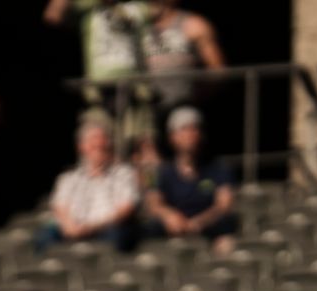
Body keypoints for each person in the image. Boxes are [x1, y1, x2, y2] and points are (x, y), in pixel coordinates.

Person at [44, 0, 222, 155]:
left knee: (154, 142)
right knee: (111, 143)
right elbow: (54, 15)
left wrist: (196, 96)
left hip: (173, 103)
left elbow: (217, 70)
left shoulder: (180, 21)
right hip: (132, 97)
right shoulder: (104, 12)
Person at [38, 115, 140, 250]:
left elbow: (126, 209)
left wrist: (91, 227)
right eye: (92, 139)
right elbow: (59, 207)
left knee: (119, 236)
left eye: (102, 139)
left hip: (106, 229)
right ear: (81, 146)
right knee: (45, 236)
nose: (98, 143)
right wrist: (70, 227)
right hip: (73, 229)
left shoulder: (123, 174)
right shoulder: (68, 178)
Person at [144, 105, 237, 251]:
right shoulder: (160, 171)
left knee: (227, 225)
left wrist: (199, 222)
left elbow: (224, 204)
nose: (190, 134)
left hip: (208, 226)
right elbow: (153, 203)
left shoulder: (218, 167)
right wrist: (169, 216)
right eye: (184, 129)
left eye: (194, 129)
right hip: (174, 227)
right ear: (172, 137)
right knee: (149, 229)